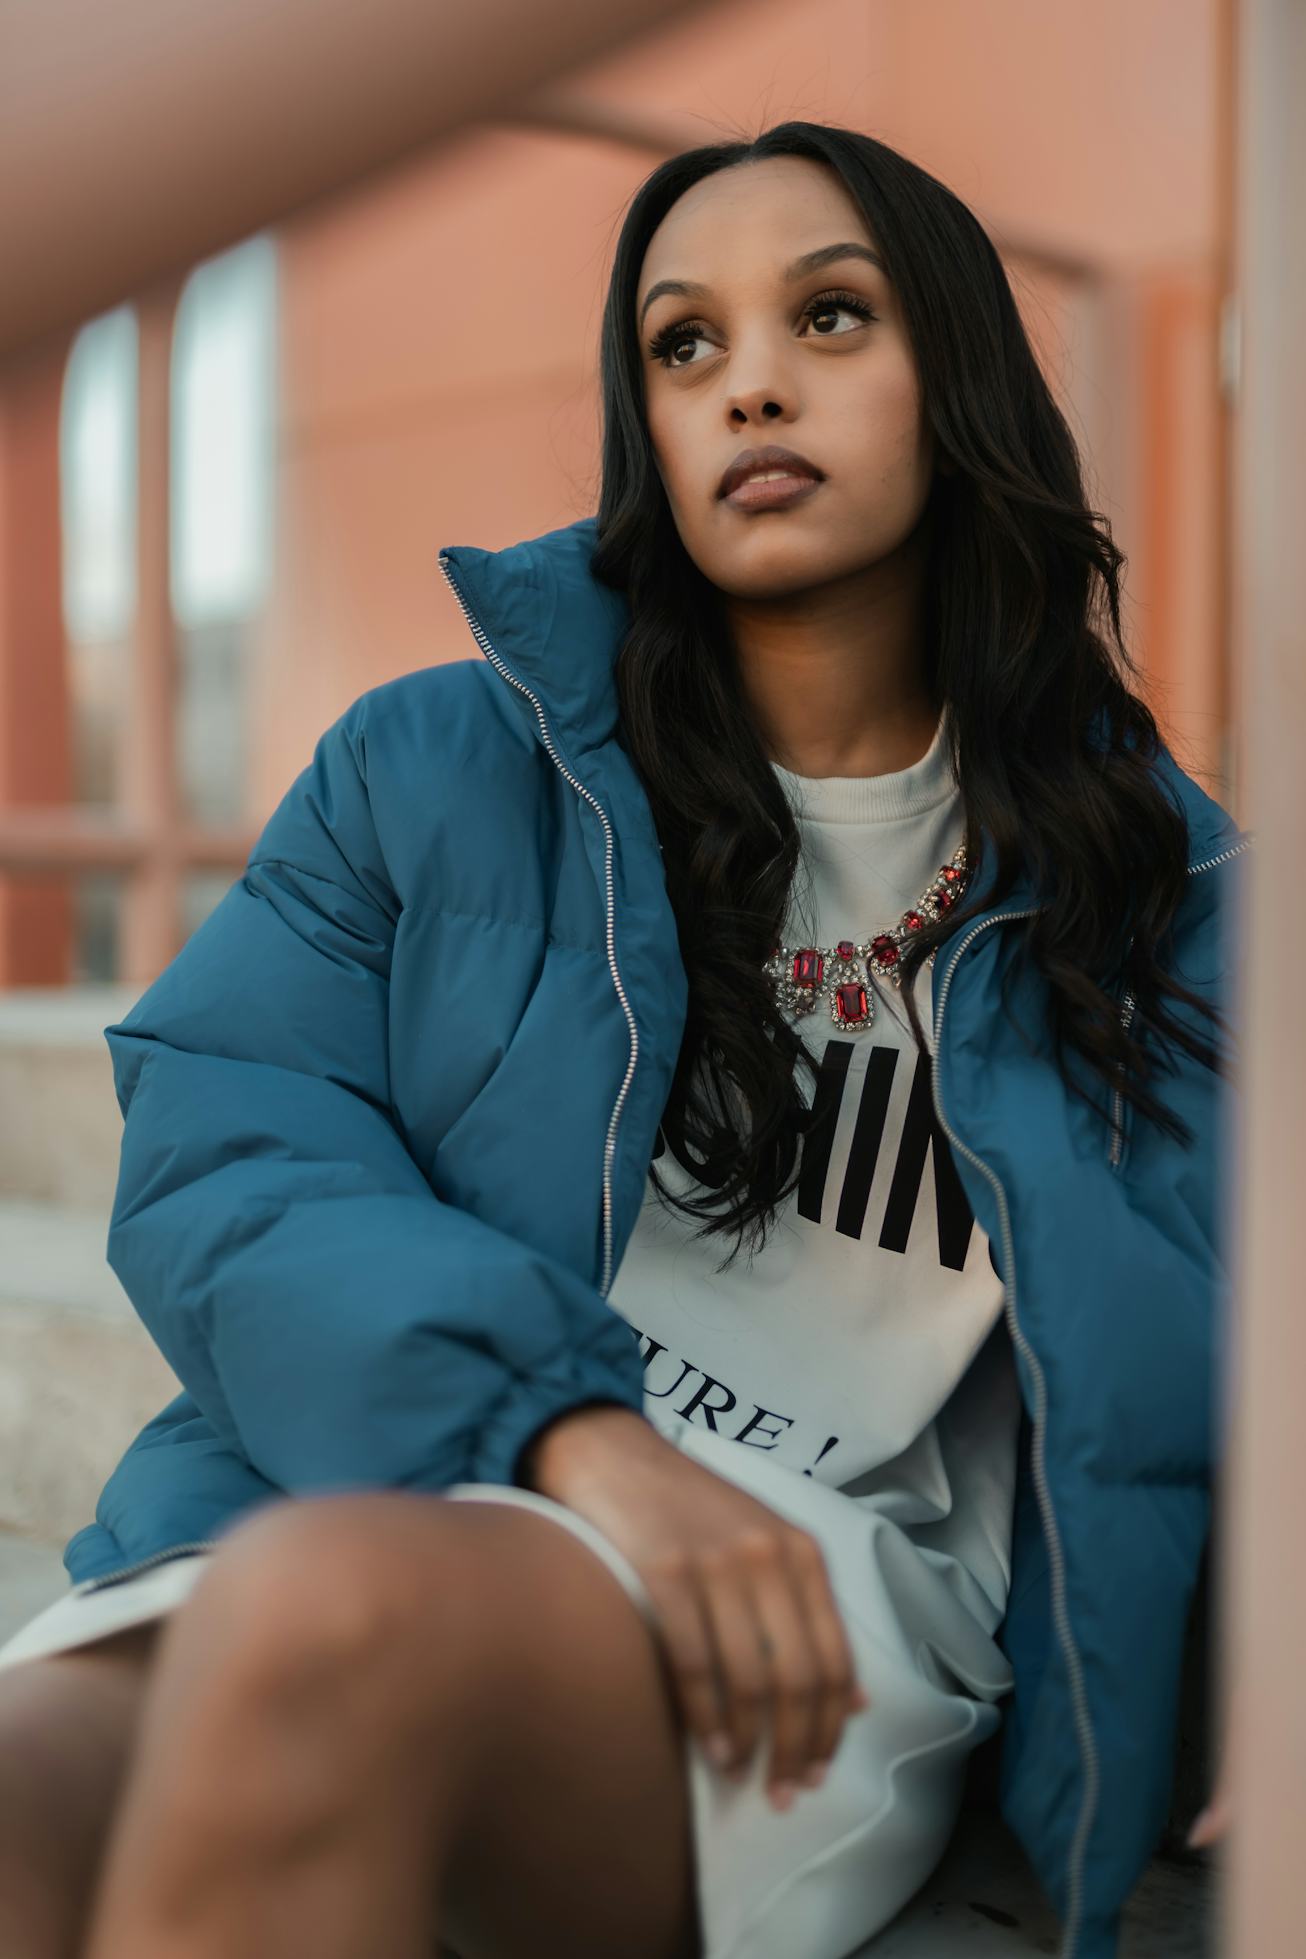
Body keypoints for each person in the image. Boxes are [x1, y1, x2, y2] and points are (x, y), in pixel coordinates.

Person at [0, 120, 1247, 1959]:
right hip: (396, 1466)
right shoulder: (431, 767)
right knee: (30, 1783)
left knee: (332, 1634)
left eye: (829, 318)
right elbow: (233, 1147)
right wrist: (566, 1428)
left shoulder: (1181, 898)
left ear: (958, 375)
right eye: (684, 345)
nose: (748, 384)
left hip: (805, 1593)